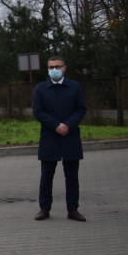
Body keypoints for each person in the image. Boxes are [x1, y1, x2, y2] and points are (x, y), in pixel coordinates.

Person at [33, 55, 87, 222]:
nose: (54, 70)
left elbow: (81, 109)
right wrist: (56, 125)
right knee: (46, 176)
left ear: (64, 68)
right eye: (51, 67)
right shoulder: (41, 88)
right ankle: (44, 208)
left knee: (72, 176)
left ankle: (73, 209)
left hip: (70, 137)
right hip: (50, 137)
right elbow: (38, 112)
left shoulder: (74, 87)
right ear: (47, 70)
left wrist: (68, 125)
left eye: (57, 66)